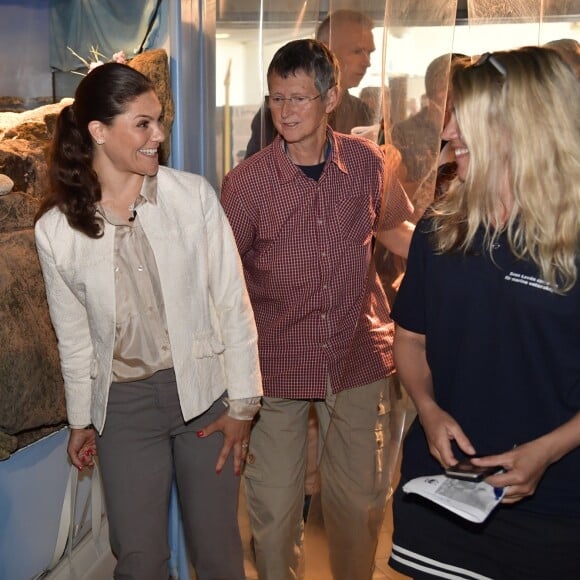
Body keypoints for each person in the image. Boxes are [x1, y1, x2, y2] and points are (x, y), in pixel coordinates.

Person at [34, 62, 262, 580]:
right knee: (139, 560)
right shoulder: (56, 230)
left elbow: (232, 300)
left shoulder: (193, 196)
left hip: (205, 397)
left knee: (219, 552)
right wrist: (80, 420)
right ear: (98, 131)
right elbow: (73, 340)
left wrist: (243, 405)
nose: (158, 135)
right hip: (125, 408)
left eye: (159, 122)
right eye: (143, 123)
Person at [221, 39, 414, 580]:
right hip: (276, 365)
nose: (286, 111)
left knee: (359, 505)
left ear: (331, 99)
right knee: (274, 513)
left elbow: (398, 232)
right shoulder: (248, 183)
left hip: (356, 358)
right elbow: (221, 277)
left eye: (300, 98)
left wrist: (469, 267)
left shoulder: (367, 164)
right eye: (277, 98)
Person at [388, 46, 580, 579]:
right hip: (442, 496)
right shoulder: (439, 227)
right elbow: (411, 340)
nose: (446, 133)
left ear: (521, 127)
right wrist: (427, 408)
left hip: (555, 511)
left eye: (462, 119)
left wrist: (548, 449)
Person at [244, 9, 376, 158]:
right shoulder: (272, 116)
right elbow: (254, 172)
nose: (367, 62)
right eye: (357, 51)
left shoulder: (363, 113)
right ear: (326, 50)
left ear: (332, 98)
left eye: (369, 52)